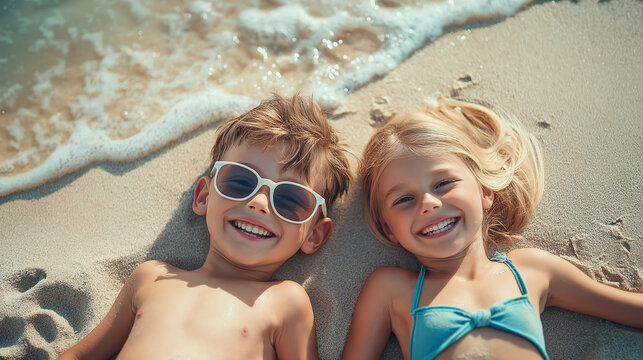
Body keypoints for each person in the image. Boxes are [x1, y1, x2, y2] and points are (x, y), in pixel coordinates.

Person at [342, 97, 643, 359]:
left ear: (485, 191)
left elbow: (626, 308)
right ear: (389, 228)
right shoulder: (392, 289)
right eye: (404, 199)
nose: (428, 203)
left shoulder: (531, 270)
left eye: (443, 183)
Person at [59, 94, 352, 359]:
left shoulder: (285, 302)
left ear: (314, 235)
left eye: (289, 198)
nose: (259, 203)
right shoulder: (150, 277)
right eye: (240, 181)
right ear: (204, 197)